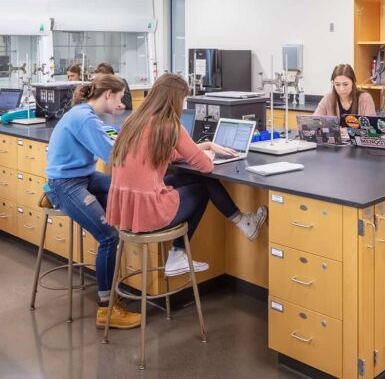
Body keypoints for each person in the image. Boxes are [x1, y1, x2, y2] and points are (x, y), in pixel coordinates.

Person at [106, 73, 267, 277]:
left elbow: (165, 154)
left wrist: (206, 145)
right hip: (148, 213)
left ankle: (244, 222)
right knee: (202, 185)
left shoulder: (134, 121)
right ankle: (179, 252)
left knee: (189, 178)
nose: (184, 105)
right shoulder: (170, 125)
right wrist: (205, 154)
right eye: (183, 100)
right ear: (174, 99)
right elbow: (206, 167)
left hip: (126, 209)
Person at [44, 73, 141, 329]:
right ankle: (106, 308)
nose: (121, 103)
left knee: (126, 187)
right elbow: (112, 154)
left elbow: (113, 138)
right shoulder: (84, 118)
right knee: (109, 236)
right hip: (66, 183)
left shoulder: (88, 114)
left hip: (83, 176)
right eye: (120, 98)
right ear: (108, 94)